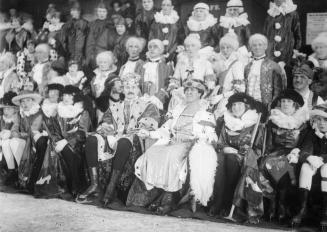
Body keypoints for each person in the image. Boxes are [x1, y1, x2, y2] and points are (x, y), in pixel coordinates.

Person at [126, 79, 210, 215]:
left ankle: (169, 199)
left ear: (200, 93)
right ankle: (151, 196)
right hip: (172, 141)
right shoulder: (178, 108)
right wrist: (149, 133)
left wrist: (197, 140)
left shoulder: (204, 110)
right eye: (187, 90)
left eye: (193, 90)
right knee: (152, 153)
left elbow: (209, 135)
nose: (189, 92)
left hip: (189, 144)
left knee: (171, 156)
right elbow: (165, 129)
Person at [76, 75, 160, 204]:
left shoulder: (148, 105)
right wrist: (106, 127)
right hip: (115, 136)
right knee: (92, 139)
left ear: (138, 89)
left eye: (133, 87)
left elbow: (152, 122)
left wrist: (139, 127)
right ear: (122, 90)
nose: (130, 90)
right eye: (127, 87)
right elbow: (106, 121)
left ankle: (111, 187)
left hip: (136, 139)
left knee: (124, 142)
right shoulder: (115, 106)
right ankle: (95, 185)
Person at [261, 89, 309, 223]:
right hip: (276, 152)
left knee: (286, 166)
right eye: (283, 101)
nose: (285, 104)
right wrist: (267, 156)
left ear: (295, 105)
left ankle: (281, 208)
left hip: (294, 154)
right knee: (271, 163)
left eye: (289, 102)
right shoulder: (273, 121)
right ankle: (272, 208)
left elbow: (304, 144)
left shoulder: (303, 124)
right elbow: (269, 144)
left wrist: (296, 153)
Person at [292, 104, 327, 228]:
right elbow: (305, 150)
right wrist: (309, 157)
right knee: (306, 168)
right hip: (315, 163)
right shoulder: (312, 134)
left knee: (326, 170)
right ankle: (302, 209)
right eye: (319, 120)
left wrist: (322, 158)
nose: (322, 123)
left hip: (325, 164)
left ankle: (325, 212)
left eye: (325, 120)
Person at [11, 90, 47, 193]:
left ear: (33, 102)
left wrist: (19, 134)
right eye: (22, 101)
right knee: (12, 142)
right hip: (25, 140)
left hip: (36, 141)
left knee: (16, 141)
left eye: (28, 100)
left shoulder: (38, 113)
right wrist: (15, 133)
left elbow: (33, 131)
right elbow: (15, 127)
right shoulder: (20, 113)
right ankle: (21, 176)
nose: (25, 104)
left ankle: (26, 177)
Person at [244, 34, 284, 108]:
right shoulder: (247, 67)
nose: (257, 47)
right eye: (254, 45)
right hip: (248, 105)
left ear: (265, 46)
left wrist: (273, 106)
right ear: (251, 48)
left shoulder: (273, 66)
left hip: (266, 106)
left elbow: (278, 90)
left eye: (260, 45)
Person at [263, 0, 301, 65]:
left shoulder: (292, 14)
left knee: (285, 70)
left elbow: (297, 33)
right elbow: (265, 33)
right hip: (271, 50)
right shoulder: (270, 14)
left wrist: (296, 49)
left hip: (287, 50)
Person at [0, 92, 26, 185]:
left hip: (20, 142)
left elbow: (20, 131)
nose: (6, 111)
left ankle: (21, 172)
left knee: (10, 142)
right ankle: (11, 171)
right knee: (5, 143)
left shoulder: (18, 118)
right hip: (6, 145)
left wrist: (10, 134)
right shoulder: (2, 119)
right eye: (4, 109)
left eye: (9, 108)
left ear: (15, 109)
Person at [85, 2, 115, 69]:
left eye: (104, 11)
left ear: (107, 12)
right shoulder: (92, 24)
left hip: (105, 53)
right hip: (93, 53)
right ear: (97, 12)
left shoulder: (110, 25)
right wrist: (89, 56)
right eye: (100, 11)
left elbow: (112, 41)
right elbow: (89, 41)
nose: (101, 13)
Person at [141, 39, 172, 104]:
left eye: (155, 47)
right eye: (150, 47)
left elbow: (167, 84)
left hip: (158, 99)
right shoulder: (144, 65)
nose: (152, 49)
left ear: (161, 49)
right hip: (143, 98)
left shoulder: (166, 66)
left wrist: (158, 97)